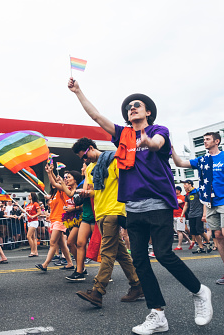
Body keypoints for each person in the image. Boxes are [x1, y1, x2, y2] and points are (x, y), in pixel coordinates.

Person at [68, 78, 212, 332]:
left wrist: (147, 142)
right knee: (140, 260)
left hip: (158, 203)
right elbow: (96, 116)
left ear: (147, 112)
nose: (132, 108)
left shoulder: (159, 131)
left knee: (165, 255)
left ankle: (200, 292)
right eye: (129, 107)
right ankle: (157, 315)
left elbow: (158, 145)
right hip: (132, 207)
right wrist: (79, 92)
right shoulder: (122, 135)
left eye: (137, 105)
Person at [71, 137, 143, 306]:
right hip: (100, 213)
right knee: (121, 254)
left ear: (90, 147)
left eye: (85, 156)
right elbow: (94, 192)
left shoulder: (113, 161)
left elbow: (126, 184)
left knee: (107, 252)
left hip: (114, 211)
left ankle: (98, 291)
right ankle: (137, 285)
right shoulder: (90, 169)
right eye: (82, 158)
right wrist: (84, 193)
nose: (85, 160)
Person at [172, 132, 224, 284]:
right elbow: (180, 164)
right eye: (204, 140)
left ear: (217, 141)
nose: (205, 142)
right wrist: (172, 151)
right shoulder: (202, 160)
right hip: (210, 203)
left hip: (223, 201)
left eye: (207, 139)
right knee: (218, 236)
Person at [35, 167, 74, 272]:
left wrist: (50, 172)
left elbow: (54, 181)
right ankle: (70, 263)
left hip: (60, 220)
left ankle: (45, 264)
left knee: (53, 242)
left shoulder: (63, 191)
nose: (54, 183)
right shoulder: (55, 194)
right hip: (54, 220)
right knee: (62, 243)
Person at [181, 180, 211, 254]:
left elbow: (204, 203)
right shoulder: (187, 195)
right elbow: (186, 205)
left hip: (199, 214)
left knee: (199, 230)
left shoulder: (198, 191)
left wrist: (204, 214)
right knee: (194, 232)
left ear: (190, 184)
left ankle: (208, 242)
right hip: (191, 215)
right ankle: (201, 247)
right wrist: (182, 215)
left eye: (185, 184)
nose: (184, 185)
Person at [173, 186, 191, 250]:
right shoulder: (174, 197)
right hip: (174, 216)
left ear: (179, 191)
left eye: (176, 190)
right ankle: (190, 241)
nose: (174, 191)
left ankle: (179, 246)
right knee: (178, 231)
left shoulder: (183, 197)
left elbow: (177, 202)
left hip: (180, 216)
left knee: (179, 231)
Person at [25, 192, 42, 257]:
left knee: (28, 236)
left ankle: (32, 251)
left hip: (34, 221)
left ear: (32, 196)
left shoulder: (35, 204)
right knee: (33, 237)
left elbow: (39, 212)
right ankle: (35, 251)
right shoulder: (29, 204)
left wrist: (34, 216)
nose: (28, 196)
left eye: (29, 195)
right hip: (29, 221)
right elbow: (26, 211)